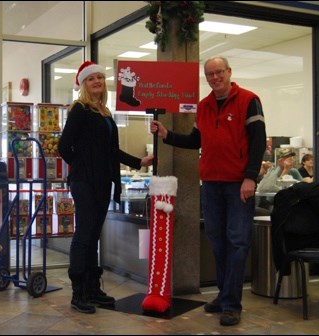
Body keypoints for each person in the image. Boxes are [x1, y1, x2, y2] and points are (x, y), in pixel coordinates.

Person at [150, 56, 266, 326]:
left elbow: (258, 141)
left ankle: (231, 304)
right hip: (211, 184)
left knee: (237, 243)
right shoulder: (203, 106)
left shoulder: (249, 99)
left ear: (229, 72)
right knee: (217, 241)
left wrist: (250, 178)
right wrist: (168, 135)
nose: (215, 77)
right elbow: (195, 140)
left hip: (239, 184)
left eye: (219, 72)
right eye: (210, 74)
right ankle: (225, 296)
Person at [59, 60, 153, 314]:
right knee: (84, 236)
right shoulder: (80, 110)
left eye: (100, 77)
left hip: (102, 183)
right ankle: (79, 291)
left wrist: (138, 162)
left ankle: (92, 287)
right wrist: (81, 167)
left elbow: (112, 151)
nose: (97, 81)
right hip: (84, 183)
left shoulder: (106, 114)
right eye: (92, 79)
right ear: (84, 84)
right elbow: (63, 147)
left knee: (93, 237)